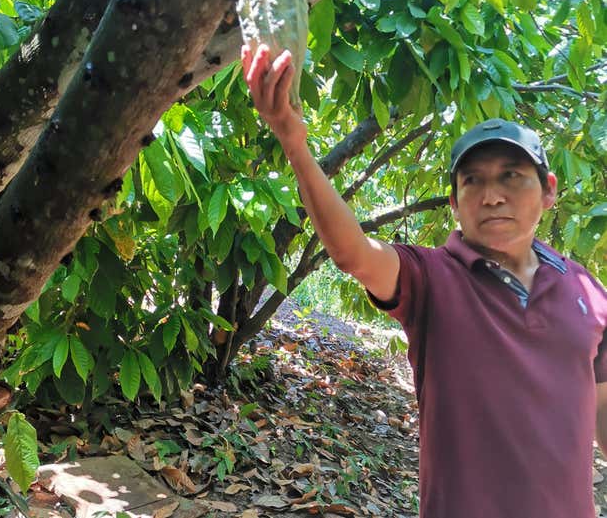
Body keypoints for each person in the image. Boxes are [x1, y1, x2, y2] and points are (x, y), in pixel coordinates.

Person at [240, 43, 607, 518]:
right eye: (472, 181)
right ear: (454, 204)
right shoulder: (432, 277)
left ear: (549, 190)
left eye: (512, 176)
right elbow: (353, 252)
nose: (492, 196)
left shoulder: (588, 291)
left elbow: (600, 407)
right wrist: (293, 139)